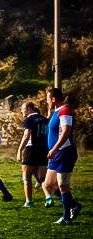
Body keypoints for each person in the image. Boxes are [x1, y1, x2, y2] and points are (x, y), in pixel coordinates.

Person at [42, 88, 82, 225]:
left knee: (62, 186)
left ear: (53, 99)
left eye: (48, 99)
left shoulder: (65, 110)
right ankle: (74, 205)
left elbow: (66, 132)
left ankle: (66, 218)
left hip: (64, 152)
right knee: (48, 185)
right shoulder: (56, 111)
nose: (46, 101)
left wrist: (54, 148)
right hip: (56, 154)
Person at [16, 102, 50, 208]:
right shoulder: (44, 119)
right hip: (43, 149)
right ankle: (48, 198)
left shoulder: (29, 119)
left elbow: (26, 135)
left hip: (31, 149)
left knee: (27, 177)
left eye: (23, 109)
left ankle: (28, 202)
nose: (21, 111)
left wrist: (20, 150)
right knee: (42, 178)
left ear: (29, 109)